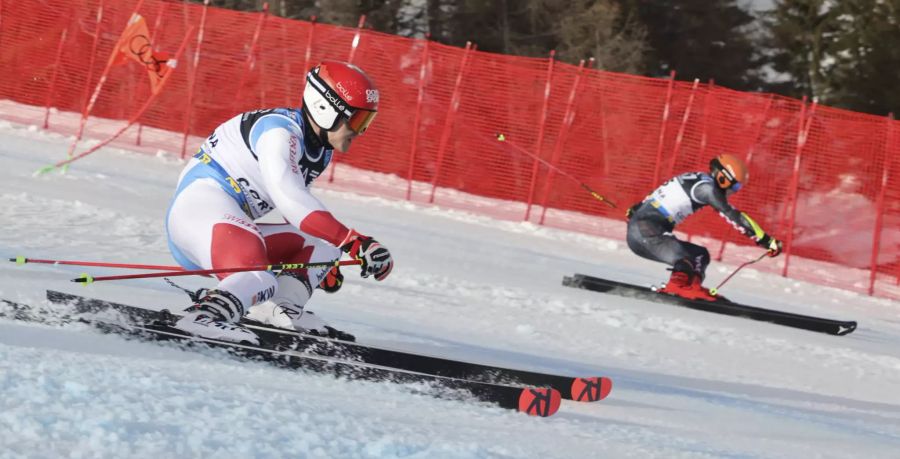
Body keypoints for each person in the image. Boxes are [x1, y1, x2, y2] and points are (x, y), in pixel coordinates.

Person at [166, 60, 393, 343]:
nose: (359, 132)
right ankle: (203, 316)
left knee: (321, 250)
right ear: (326, 109)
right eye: (358, 120)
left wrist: (316, 266)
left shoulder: (318, 150)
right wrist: (354, 241)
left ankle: (278, 310)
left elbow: (296, 216)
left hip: (227, 222)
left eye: (366, 123)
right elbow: (291, 199)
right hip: (199, 212)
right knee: (259, 277)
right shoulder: (279, 133)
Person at [625, 154, 782, 301]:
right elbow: (732, 215)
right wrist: (765, 240)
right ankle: (677, 286)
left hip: (645, 229)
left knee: (700, 255)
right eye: (734, 187)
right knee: (685, 257)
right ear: (723, 178)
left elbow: (660, 193)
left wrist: (637, 209)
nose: (733, 192)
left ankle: (691, 286)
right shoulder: (707, 189)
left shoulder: (698, 178)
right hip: (645, 231)